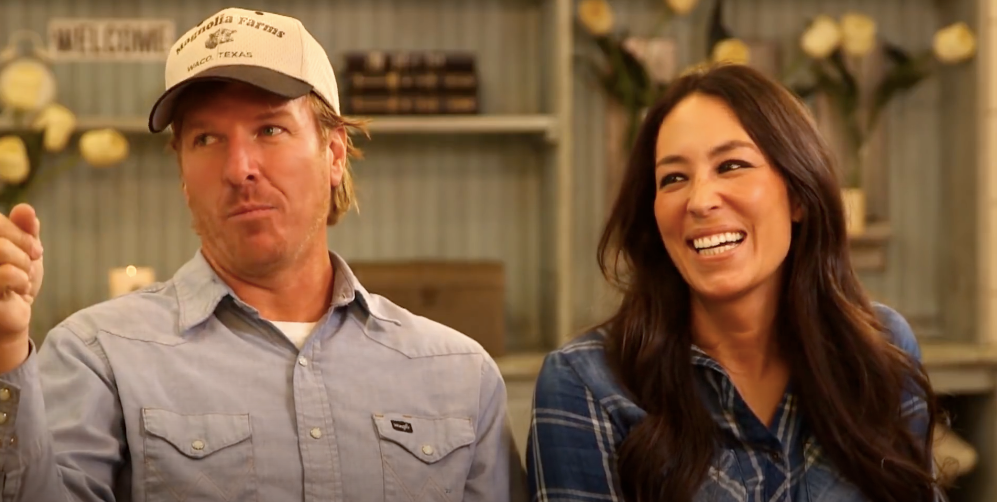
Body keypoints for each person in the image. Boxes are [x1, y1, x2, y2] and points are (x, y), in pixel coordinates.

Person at [0, 7, 525, 501]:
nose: (239, 169)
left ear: (334, 154)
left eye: (270, 130)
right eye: (207, 139)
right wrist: (4, 348)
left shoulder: (460, 375)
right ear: (182, 173)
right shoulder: (98, 357)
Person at [526, 63, 943, 502]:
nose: (700, 201)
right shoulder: (586, 382)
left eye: (731, 165)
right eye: (673, 178)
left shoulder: (879, 348)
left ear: (798, 194)